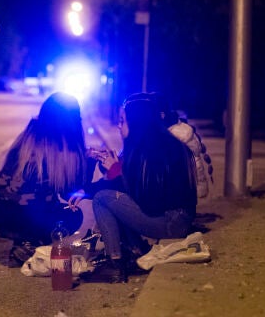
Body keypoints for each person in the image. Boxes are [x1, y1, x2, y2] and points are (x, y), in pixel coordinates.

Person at [69, 97, 197, 283]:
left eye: (122, 121)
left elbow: (147, 202)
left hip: (172, 221)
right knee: (107, 197)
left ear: (137, 122)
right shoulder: (153, 143)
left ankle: (114, 264)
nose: (118, 127)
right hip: (175, 217)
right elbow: (132, 189)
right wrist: (87, 189)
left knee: (102, 199)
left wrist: (117, 171)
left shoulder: (155, 152)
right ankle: (135, 249)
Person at [0, 92, 94, 266]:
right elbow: (71, 195)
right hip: (21, 215)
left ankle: (26, 243)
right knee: (73, 215)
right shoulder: (68, 147)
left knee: (41, 211)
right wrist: (89, 162)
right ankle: (33, 242)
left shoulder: (29, 136)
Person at [125, 92, 214, 199]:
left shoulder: (173, 137)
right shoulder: (178, 129)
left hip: (180, 195)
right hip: (183, 191)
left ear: (160, 115)